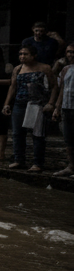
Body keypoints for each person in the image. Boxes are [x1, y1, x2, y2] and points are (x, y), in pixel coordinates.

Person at [2, 45, 57, 172]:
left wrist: (51, 103)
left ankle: (38, 162)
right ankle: (19, 160)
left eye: (25, 54)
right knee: (17, 133)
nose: (22, 56)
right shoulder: (18, 68)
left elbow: (54, 86)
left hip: (37, 103)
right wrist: (7, 103)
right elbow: (12, 87)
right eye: (20, 54)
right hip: (20, 103)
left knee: (37, 134)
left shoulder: (44, 68)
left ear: (33, 55)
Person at [53, 44, 74, 177]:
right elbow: (62, 89)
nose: (71, 54)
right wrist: (57, 107)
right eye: (69, 52)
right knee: (68, 139)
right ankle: (71, 166)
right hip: (67, 107)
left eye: (73, 52)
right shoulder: (66, 69)